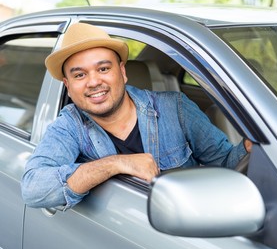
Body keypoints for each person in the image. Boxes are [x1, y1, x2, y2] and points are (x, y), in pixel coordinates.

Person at [21, 23, 252, 210]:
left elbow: (225, 165)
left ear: (122, 72)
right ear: (68, 86)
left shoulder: (176, 109)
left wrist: (249, 147)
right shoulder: (69, 126)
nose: (93, 82)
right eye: (80, 75)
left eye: (103, 69)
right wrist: (116, 163)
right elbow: (33, 189)